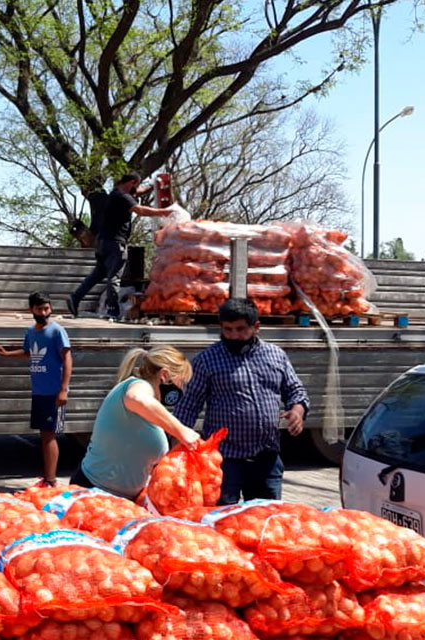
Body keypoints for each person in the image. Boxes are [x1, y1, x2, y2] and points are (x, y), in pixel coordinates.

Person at [172, 298, 309, 505]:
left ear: (256, 327)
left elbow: (296, 391)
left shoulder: (276, 356)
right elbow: (187, 407)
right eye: (228, 330)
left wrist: (297, 412)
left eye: (240, 329)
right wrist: (174, 455)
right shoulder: (207, 361)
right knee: (222, 519)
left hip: (267, 458)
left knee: (265, 520)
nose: (234, 336)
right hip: (224, 461)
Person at [71, 346, 201, 499]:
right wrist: (181, 430)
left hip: (122, 500)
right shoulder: (139, 386)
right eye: (182, 381)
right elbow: (136, 398)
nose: (182, 389)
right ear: (164, 376)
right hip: (93, 493)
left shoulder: (153, 410)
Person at [68, 172, 180, 319]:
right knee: (114, 277)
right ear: (132, 182)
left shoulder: (115, 194)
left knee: (97, 274)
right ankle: (112, 310)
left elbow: (139, 191)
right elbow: (140, 210)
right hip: (115, 243)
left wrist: (154, 186)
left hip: (102, 242)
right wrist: (164, 212)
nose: (138, 189)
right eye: (137, 185)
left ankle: (75, 297)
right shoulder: (123, 197)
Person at [0, 291, 72, 487]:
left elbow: (67, 358)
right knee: (44, 435)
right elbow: (29, 352)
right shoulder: (31, 332)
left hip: (54, 393)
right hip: (39, 392)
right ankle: (48, 478)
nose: (44, 312)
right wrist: (7, 354)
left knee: (49, 435)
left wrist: (63, 389)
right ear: (32, 310)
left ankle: (51, 480)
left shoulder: (57, 331)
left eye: (47, 308)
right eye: (39, 308)